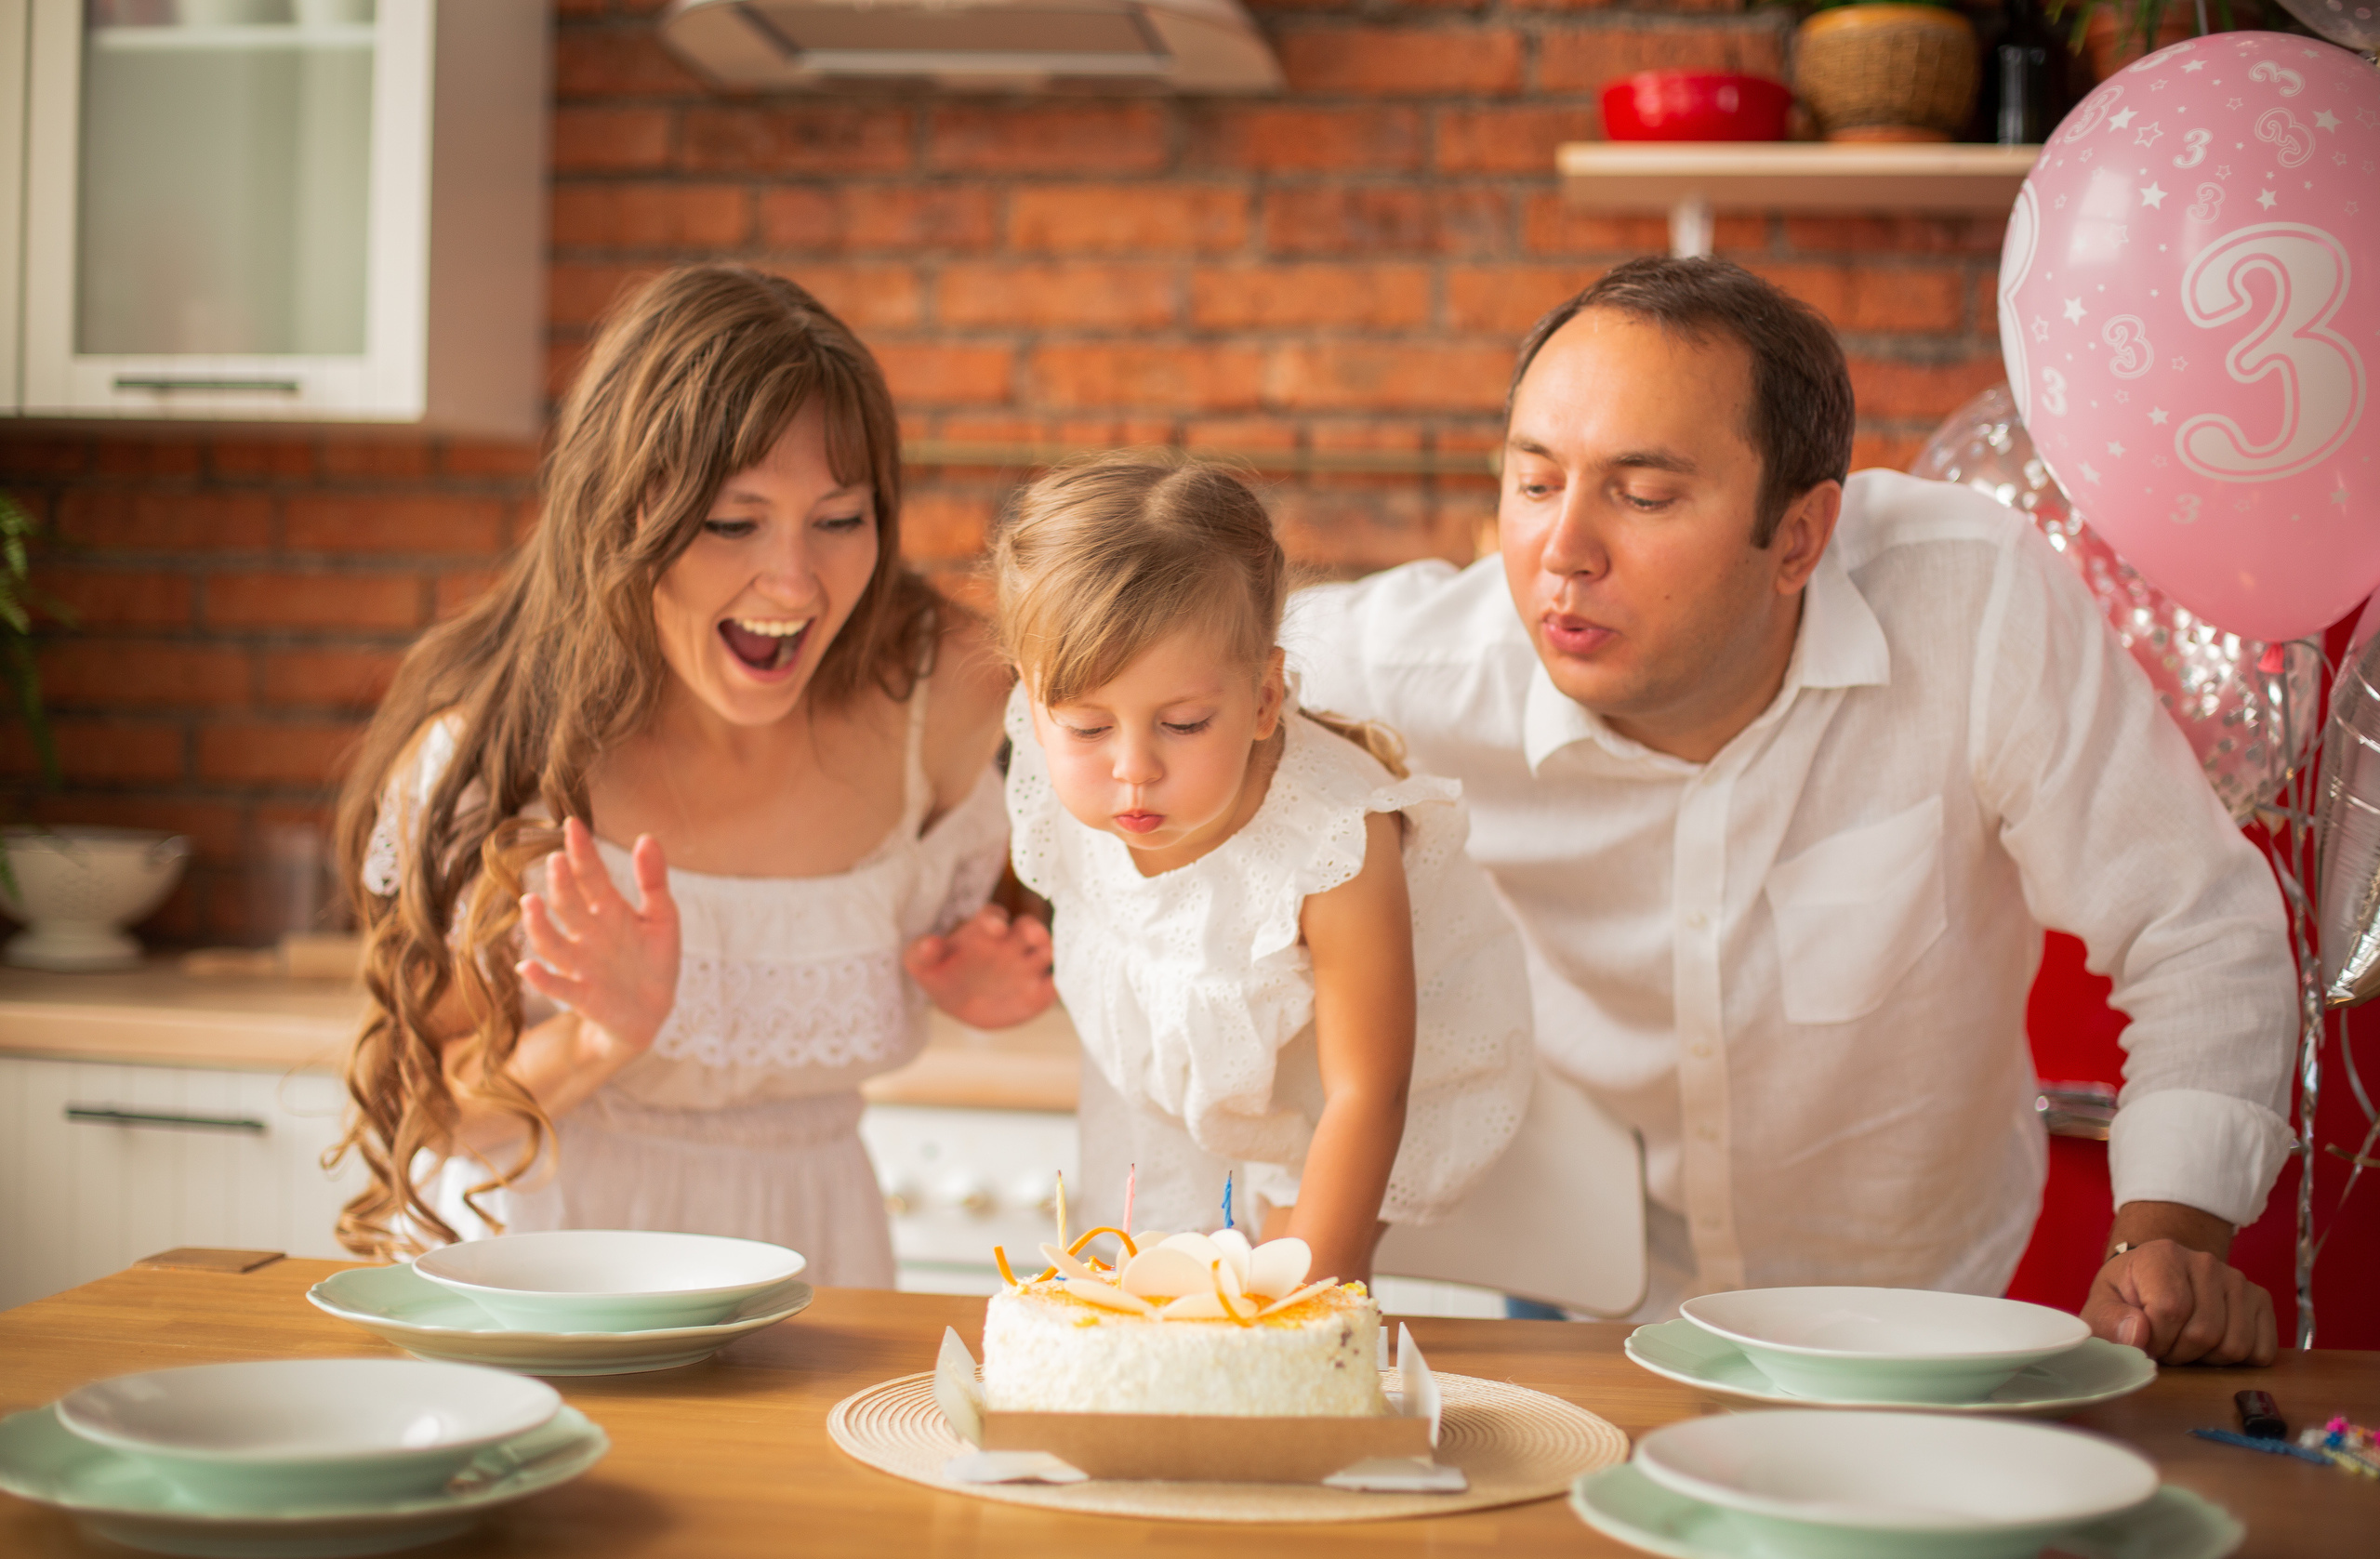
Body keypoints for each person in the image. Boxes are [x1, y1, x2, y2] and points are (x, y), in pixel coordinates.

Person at [1287, 258, 2295, 1363]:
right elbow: (1127, 686)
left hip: (1920, 1299)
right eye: (1535, 483)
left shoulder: (1972, 600)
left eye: (1643, 494)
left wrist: (2169, 1234)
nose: (1561, 554)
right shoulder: (1417, 667)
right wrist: (1057, 899)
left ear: (1802, 538)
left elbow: (2195, 925)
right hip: (1595, 1303)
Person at [332, 266, 1053, 1284]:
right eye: (731, 523)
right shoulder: (495, 759)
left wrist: (993, 974)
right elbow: (429, 1114)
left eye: (840, 520)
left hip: (819, 1255)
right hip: (553, 1270)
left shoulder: (946, 695)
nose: (795, 583)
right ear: (621, 514)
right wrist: (600, 1037)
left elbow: (1199, 733)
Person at [991, 457, 1535, 1283]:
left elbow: (1367, 1094)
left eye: (1182, 723)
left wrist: (1292, 1308)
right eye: (1087, 726)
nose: (1132, 769)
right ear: (1035, 703)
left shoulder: (1333, 844)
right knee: (1147, 1299)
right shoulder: (1057, 755)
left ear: (1264, 697)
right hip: (1185, 1081)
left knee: (1262, 1299)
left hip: (1339, 1102)